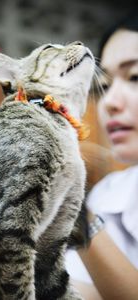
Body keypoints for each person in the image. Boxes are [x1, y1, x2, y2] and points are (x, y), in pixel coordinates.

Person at [65, 11, 138, 300]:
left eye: (135, 76)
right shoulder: (109, 194)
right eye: (104, 86)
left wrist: (76, 214)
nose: (109, 103)